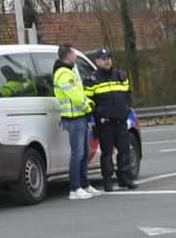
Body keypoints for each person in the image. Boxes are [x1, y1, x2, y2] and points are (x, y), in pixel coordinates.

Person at [85, 48, 134, 191]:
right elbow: (88, 100)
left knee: (124, 151)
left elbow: (128, 95)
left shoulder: (120, 75)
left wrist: (126, 109)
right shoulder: (92, 80)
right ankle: (108, 181)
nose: (107, 61)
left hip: (120, 121)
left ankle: (125, 179)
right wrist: (98, 114)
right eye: (103, 58)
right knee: (107, 154)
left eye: (108, 58)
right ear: (97, 61)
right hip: (105, 123)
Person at [52, 45, 97, 199]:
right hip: (73, 117)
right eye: (74, 53)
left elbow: (79, 92)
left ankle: (85, 185)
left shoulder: (69, 71)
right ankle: (75, 188)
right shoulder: (63, 73)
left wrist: (87, 102)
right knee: (77, 154)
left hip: (79, 116)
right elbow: (74, 95)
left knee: (84, 153)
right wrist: (87, 106)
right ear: (67, 55)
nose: (76, 56)